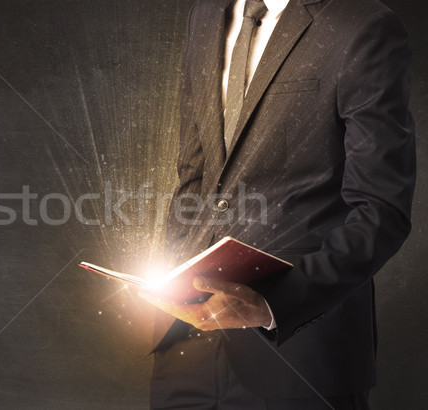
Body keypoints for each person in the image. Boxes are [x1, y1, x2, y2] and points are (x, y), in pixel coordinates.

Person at [140, 0, 416, 408]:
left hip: (299, 354)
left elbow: (382, 210)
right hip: (186, 353)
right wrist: (172, 276)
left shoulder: (363, 26)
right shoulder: (204, 15)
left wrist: (273, 304)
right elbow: (195, 175)